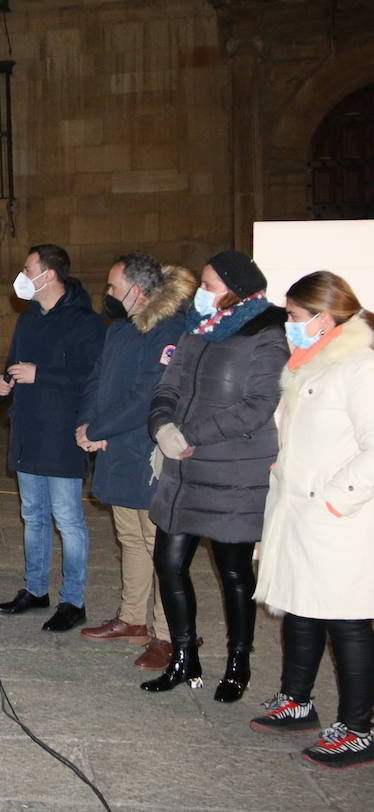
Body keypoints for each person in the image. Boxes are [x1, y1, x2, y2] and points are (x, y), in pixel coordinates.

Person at [141, 250, 286, 701]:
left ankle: (238, 662)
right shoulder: (196, 331)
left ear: (236, 289)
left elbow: (257, 406)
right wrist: (163, 427)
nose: (200, 293)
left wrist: (189, 434)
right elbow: (168, 387)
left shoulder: (266, 334)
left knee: (235, 572)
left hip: (232, 472)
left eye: (209, 285)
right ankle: (185, 656)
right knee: (168, 563)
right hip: (183, 470)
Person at [251, 271, 374, 770]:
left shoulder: (358, 367)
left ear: (324, 319)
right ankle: (297, 700)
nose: (289, 325)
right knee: (299, 608)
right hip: (297, 513)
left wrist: (334, 499)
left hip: (337, 520)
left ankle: (358, 728)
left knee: (347, 623)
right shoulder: (307, 366)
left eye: (295, 316)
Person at [76, 253, 196, 671]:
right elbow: (97, 378)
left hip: (147, 452)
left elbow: (148, 394)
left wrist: (100, 430)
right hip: (114, 448)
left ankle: (166, 633)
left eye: (113, 286)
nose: (108, 294)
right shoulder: (121, 329)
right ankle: (131, 618)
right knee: (129, 537)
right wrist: (87, 424)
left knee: (158, 544)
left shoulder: (171, 330)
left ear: (138, 290)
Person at [0, 244, 106, 632]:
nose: (22, 276)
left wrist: (42, 375)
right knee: (32, 515)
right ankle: (35, 588)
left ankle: (73, 600)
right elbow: (14, 362)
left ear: (49, 274)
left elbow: (92, 378)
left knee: (68, 519)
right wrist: (4, 381)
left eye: (28, 269)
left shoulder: (86, 322)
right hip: (28, 429)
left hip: (61, 432)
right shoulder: (28, 319)